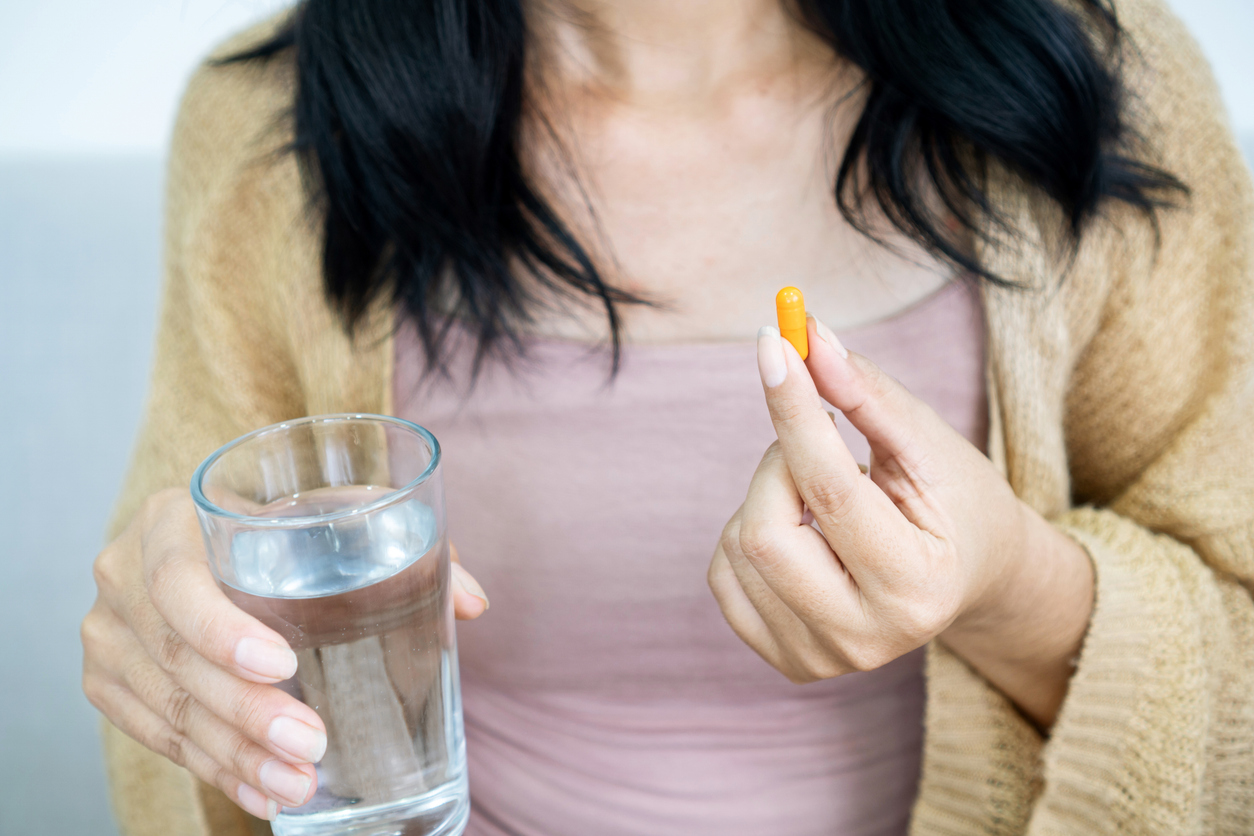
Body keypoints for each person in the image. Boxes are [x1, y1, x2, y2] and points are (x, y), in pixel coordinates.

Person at [81, 0, 1254, 833]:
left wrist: (1006, 583)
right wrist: (191, 667)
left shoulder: (1104, 73)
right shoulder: (266, 130)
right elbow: (199, 681)